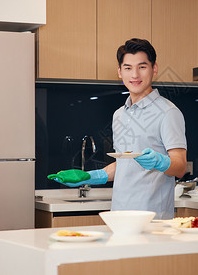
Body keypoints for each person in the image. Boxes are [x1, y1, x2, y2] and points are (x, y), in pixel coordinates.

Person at [53, 38, 187, 219]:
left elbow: (180, 166)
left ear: (154, 69)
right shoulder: (119, 115)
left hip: (152, 217)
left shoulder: (168, 112)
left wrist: (159, 161)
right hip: (119, 214)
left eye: (142, 67)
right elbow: (125, 164)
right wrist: (88, 177)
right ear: (119, 72)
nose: (135, 75)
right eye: (128, 68)